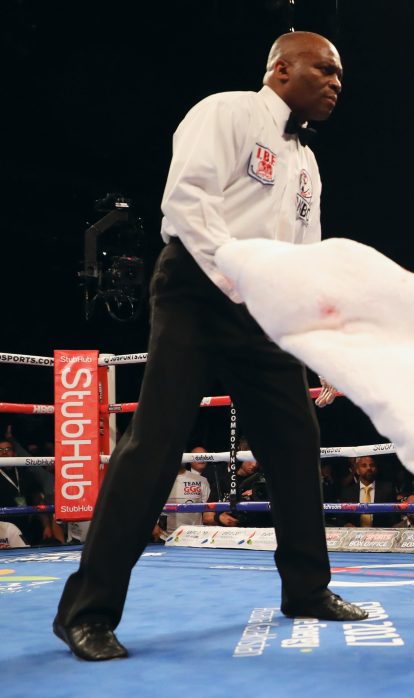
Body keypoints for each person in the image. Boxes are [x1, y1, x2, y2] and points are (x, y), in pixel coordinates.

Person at [54, 31, 368, 662]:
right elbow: (188, 202)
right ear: (281, 69)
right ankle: (85, 612)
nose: (337, 83)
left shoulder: (306, 162)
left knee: (295, 441)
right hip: (199, 292)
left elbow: (304, 254)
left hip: (264, 311)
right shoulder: (225, 112)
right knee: (154, 445)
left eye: (341, 75)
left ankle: (307, 588)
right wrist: (238, 279)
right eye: (325, 70)